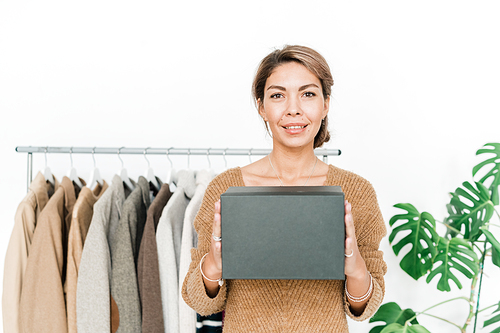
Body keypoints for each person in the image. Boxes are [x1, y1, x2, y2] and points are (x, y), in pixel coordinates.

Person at [182, 45, 387, 332]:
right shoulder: (227, 188)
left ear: (326, 104)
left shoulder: (356, 192)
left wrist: (354, 268)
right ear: (262, 107)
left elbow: (364, 309)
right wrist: (214, 265)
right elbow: (202, 303)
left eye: (308, 94)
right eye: (278, 95)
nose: (293, 109)